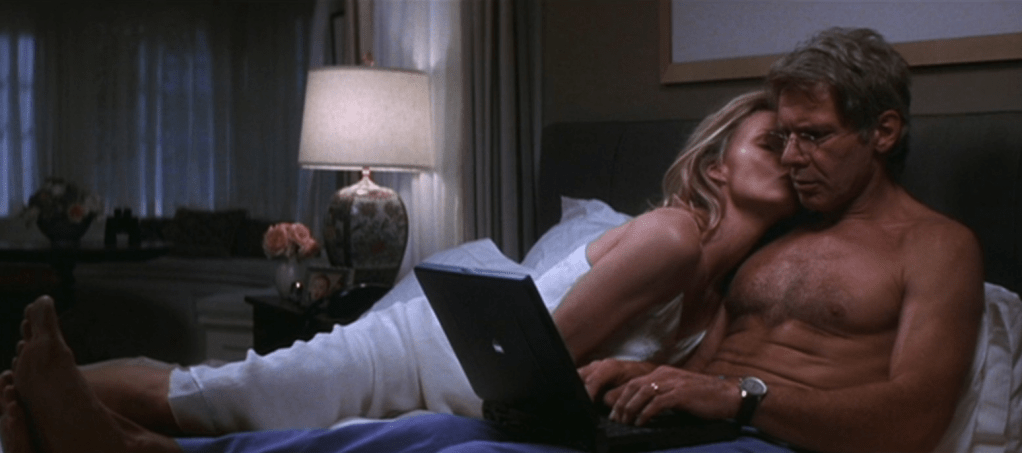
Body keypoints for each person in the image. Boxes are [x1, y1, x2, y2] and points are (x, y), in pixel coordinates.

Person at [1, 88, 799, 452]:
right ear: (717, 163)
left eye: (803, 144)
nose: (793, 155)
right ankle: (30, 390)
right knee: (215, 396)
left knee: (221, 412)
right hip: (425, 355)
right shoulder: (673, 237)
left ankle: (54, 415)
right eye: (772, 142)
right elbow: (542, 361)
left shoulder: (726, 296)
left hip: (458, 386)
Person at [367, 26, 984, 453]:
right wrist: (633, 373)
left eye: (814, 137)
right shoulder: (774, 241)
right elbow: (704, 367)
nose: (792, 158)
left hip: (777, 440)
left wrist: (739, 399)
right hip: (690, 430)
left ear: (883, 132)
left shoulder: (935, 247)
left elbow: (914, 422)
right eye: (785, 137)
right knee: (410, 436)